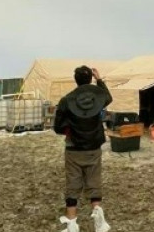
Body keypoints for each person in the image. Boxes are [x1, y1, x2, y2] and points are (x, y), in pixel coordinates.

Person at [54, 66, 113, 232]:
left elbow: (58, 127)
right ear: (89, 79)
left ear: (76, 79)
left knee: (73, 186)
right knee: (94, 183)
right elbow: (108, 97)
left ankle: (72, 226)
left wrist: (70, 130)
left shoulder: (67, 100)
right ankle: (99, 222)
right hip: (94, 148)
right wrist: (99, 80)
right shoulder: (98, 98)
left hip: (73, 149)